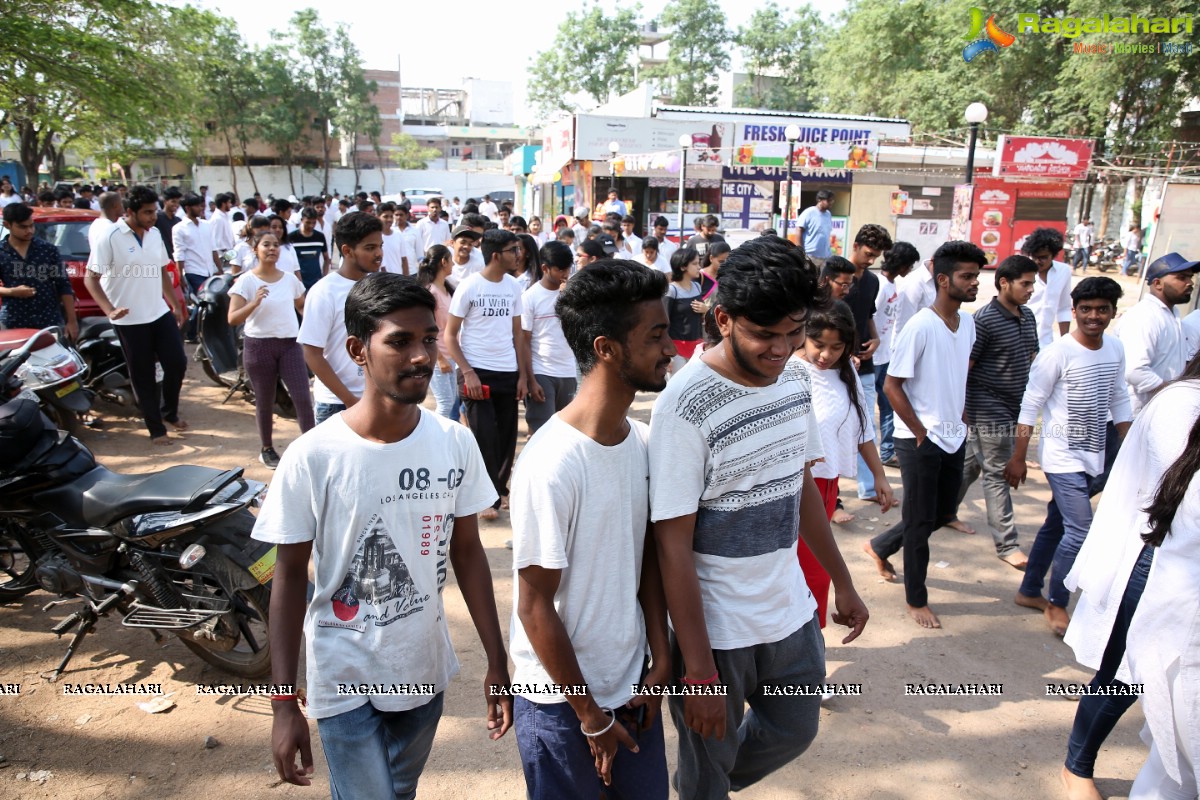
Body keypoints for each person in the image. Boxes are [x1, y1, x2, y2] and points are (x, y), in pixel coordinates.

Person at [256, 272, 512, 798]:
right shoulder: (314, 456)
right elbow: (287, 577)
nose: (420, 356)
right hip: (342, 670)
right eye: (399, 341)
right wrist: (284, 703)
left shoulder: (453, 444)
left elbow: (467, 552)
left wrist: (497, 660)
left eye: (428, 339)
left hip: (422, 668)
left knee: (397, 789)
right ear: (358, 350)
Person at [649, 236, 868, 800]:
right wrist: (697, 673)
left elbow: (800, 490)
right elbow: (671, 546)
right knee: (708, 765)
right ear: (723, 319)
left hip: (789, 610)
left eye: (793, 332)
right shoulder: (685, 405)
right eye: (764, 335)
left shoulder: (794, 380)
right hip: (717, 631)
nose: (782, 348)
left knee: (795, 730)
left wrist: (842, 583)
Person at [510, 260, 673, 798]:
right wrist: (589, 715)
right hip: (561, 704)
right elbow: (534, 606)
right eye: (655, 336)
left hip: (633, 690)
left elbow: (645, 560)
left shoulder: (643, 443)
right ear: (606, 348)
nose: (670, 349)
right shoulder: (552, 463)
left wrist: (661, 655)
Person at [1059, 355, 1200, 800]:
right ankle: (1076, 766)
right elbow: (1186, 500)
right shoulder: (1182, 402)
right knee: (1125, 673)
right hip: (1159, 563)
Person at [864, 240, 982, 629]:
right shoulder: (921, 325)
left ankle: (880, 545)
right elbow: (892, 386)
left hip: (953, 435)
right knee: (919, 522)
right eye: (967, 276)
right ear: (944, 280)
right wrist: (919, 432)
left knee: (940, 512)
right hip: (919, 440)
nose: (975, 283)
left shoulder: (967, 323)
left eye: (977, 276)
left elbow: (958, 378)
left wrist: (961, 419)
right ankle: (917, 599)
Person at [1007, 277, 1132, 636]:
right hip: (1063, 458)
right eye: (1087, 309)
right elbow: (1030, 406)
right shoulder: (1056, 354)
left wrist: (1130, 441)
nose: (1094, 316)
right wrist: (1018, 458)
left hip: (1098, 453)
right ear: (1074, 310)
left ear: (1112, 312)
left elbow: (1119, 397)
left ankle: (1029, 590)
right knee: (1080, 530)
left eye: (1102, 309)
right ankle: (1057, 602)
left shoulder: (1116, 349)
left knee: (1057, 523)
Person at [797, 301, 895, 627]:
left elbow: (864, 428)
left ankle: (811, 638)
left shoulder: (846, 371)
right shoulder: (789, 372)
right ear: (803, 337)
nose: (826, 355)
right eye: (819, 345)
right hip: (794, 487)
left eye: (836, 347)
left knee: (817, 566)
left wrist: (879, 476)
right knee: (797, 566)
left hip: (827, 484)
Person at [946, 255, 1039, 567]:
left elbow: (1031, 358)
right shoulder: (984, 320)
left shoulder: (1028, 317)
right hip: (988, 409)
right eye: (1025, 283)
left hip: (1016, 408)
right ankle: (1007, 545)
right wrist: (962, 410)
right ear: (1003, 282)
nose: (1031, 289)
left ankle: (943, 512)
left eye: (1033, 283)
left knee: (971, 466)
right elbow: (965, 369)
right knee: (998, 475)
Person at [84, 185, 188, 444]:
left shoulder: (154, 235)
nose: (153, 217)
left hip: (159, 311)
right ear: (129, 212)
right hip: (129, 319)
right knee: (143, 374)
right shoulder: (109, 237)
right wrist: (110, 310)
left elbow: (162, 270)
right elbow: (91, 279)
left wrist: (174, 304)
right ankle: (156, 429)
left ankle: (169, 412)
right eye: (147, 212)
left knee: (177, 363)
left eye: (154, 211)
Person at [445, 229, 529, 522]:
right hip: (476, 371)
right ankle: (485, 496)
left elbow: (518, 334)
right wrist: (467, 373)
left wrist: (522, 376)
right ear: (496, 255)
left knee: (507, 436)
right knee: (484, 436)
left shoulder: (514, 287)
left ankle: (499, 491)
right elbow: (450, 336)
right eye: (513, 251)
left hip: (507, 370)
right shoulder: (469, 287)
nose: (518, 256)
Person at [227, 230, 314, 468]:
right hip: (258, 346)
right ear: (256, 250)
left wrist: (313, 325)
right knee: (265, 400)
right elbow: (233, 318)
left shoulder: (290, 280)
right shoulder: (246, 281)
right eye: (267, 245)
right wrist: (254, 303)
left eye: (276, 245)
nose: (273, 249)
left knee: (303, 398)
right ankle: (266, 448)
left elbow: (302, 306)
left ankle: (311, 447)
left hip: (289, 345)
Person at [299, 212, 384, 424]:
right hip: (336, 404)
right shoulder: (324, 292)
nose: (379, 253)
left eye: (380, 246)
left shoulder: (379, 286)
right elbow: (311, 353)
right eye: (370, 248)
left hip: (378, 398)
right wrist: (349, 399)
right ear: (347, 251)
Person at [1114, 252, 1197, 416]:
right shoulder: (1144, 316)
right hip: (1132, 415)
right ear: (1158, 283)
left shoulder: (1172, 315)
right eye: (1182, 277)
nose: (1190, 283)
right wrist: (1172, 392)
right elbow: (1135, 371)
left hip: (1157, 411)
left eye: (1190, 277)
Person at [844, 224, 890, 503]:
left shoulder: (873, 281)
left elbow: (869, 315)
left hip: (865, 361)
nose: (871, 260)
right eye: (868, 253)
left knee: (865, 425)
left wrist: (875, 340)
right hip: (831, 363)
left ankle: (870, 487)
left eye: (876, 256)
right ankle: (829, 495)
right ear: (856, 245)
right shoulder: (834, 274)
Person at [521, 241, 578, 435]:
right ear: (545, 268)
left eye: (568, 268)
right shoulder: (530, 297)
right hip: (541, 371)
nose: (566, 274)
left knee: (564, 432)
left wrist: (568, 300)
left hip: (568, 372)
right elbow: (524, 342)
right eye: (561, 269)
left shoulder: (572, 295)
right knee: (541, 432)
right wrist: (531, 380)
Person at [0, 203, 79, 342]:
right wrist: (12, 292)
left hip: (48, 319)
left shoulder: (48, 250)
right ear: (7, 225)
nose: (29, 230)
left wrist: (72, 321)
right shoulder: (1, 252)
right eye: (23, 227)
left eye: (31, 225)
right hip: (13, 320)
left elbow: (64, 285)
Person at [873, 242, 919, 467]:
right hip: (872, 358)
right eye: (909, 265)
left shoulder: (894, 285)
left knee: (888, 404)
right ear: (901, 264)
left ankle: (887, 451)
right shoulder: (881, 285)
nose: (910, 269)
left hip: (885, 355)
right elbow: (870, 318)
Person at [417, 244, 459, 421]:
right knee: (445, 403)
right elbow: (427, 330)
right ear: (443, 262)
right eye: (451, 260)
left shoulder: (447, 289)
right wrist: (440, 359)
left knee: (452, 402)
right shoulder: (431, 292)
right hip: (437, 356)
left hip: (450, 355)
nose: (453, 265)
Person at [173, 192, 221, 342]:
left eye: (200, 205)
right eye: (196, 205)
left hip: (209, 270)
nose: (200, 208)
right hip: (193, 271)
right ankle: (192, 332)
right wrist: (180, 275)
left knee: (208, 302)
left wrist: (218, 268)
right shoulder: (179, 228)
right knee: (203, 301)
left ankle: (199, 331)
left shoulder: (207, 225)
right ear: (187, 208)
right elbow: (179, 253)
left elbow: (213, 248)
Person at [1023, 227, 1073, 347]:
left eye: (1043, 257)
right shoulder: (1022, 272)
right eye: (1034, 257)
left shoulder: (1063, 271)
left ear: (1054, 255)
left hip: (1046, 342)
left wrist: (1065, 342)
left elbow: (1064, 308)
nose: (1037, 261)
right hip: (1021, 342)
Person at [664, 247, 704, 373]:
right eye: (695, 263)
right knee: (677, 388)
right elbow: (664, 322)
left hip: (696, 347)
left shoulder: (697, 287)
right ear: (682, 267)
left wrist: (706, 310)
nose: (699, 267)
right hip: (676, 349)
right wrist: (667, 354)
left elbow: (700, 318)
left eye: (699, 263)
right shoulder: (672, 290)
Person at [288, 208, 331, 291]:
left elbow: (326, 258)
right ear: (301, 220)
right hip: (297, 282)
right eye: (308, 222)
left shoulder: (320, 237)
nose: (311, 225)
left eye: (314, 223)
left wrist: (324, 277)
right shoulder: (291, 237)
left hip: (316, 281)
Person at [796, 190, 834, 262]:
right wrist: (800, 251)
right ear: (820, 200)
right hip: (810, 255)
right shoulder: (809, 212)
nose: (831, 203)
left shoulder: (828, 214)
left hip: (825, 256)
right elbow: (799, 229)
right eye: (828, 200)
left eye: (832, 200)